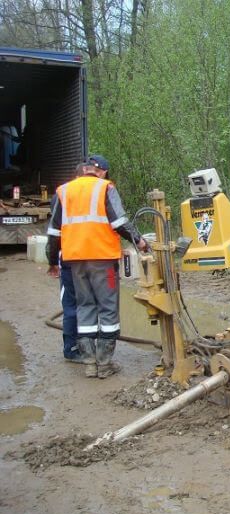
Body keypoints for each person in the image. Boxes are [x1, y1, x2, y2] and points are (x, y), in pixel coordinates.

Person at [47, 154, 148, 378]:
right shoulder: (105, 188)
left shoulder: (64, 191)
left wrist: (53, 261)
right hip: (102, 259)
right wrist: (139, 241)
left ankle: (90, 363)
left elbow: (54, 232)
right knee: (108, 308)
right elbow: (119, 222)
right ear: (98, 172)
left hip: (75, 261)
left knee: (85, 307)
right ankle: (105, 364)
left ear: (82, 171)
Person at [46, 162, 84, 363]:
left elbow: (54, 232)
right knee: (88, 304)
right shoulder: (98, 193)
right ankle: (84, 347)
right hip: (93, 259)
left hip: (69, 257)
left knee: (71, 305)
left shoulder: (61, 195)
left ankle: (72, 348)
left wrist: (52, 261)